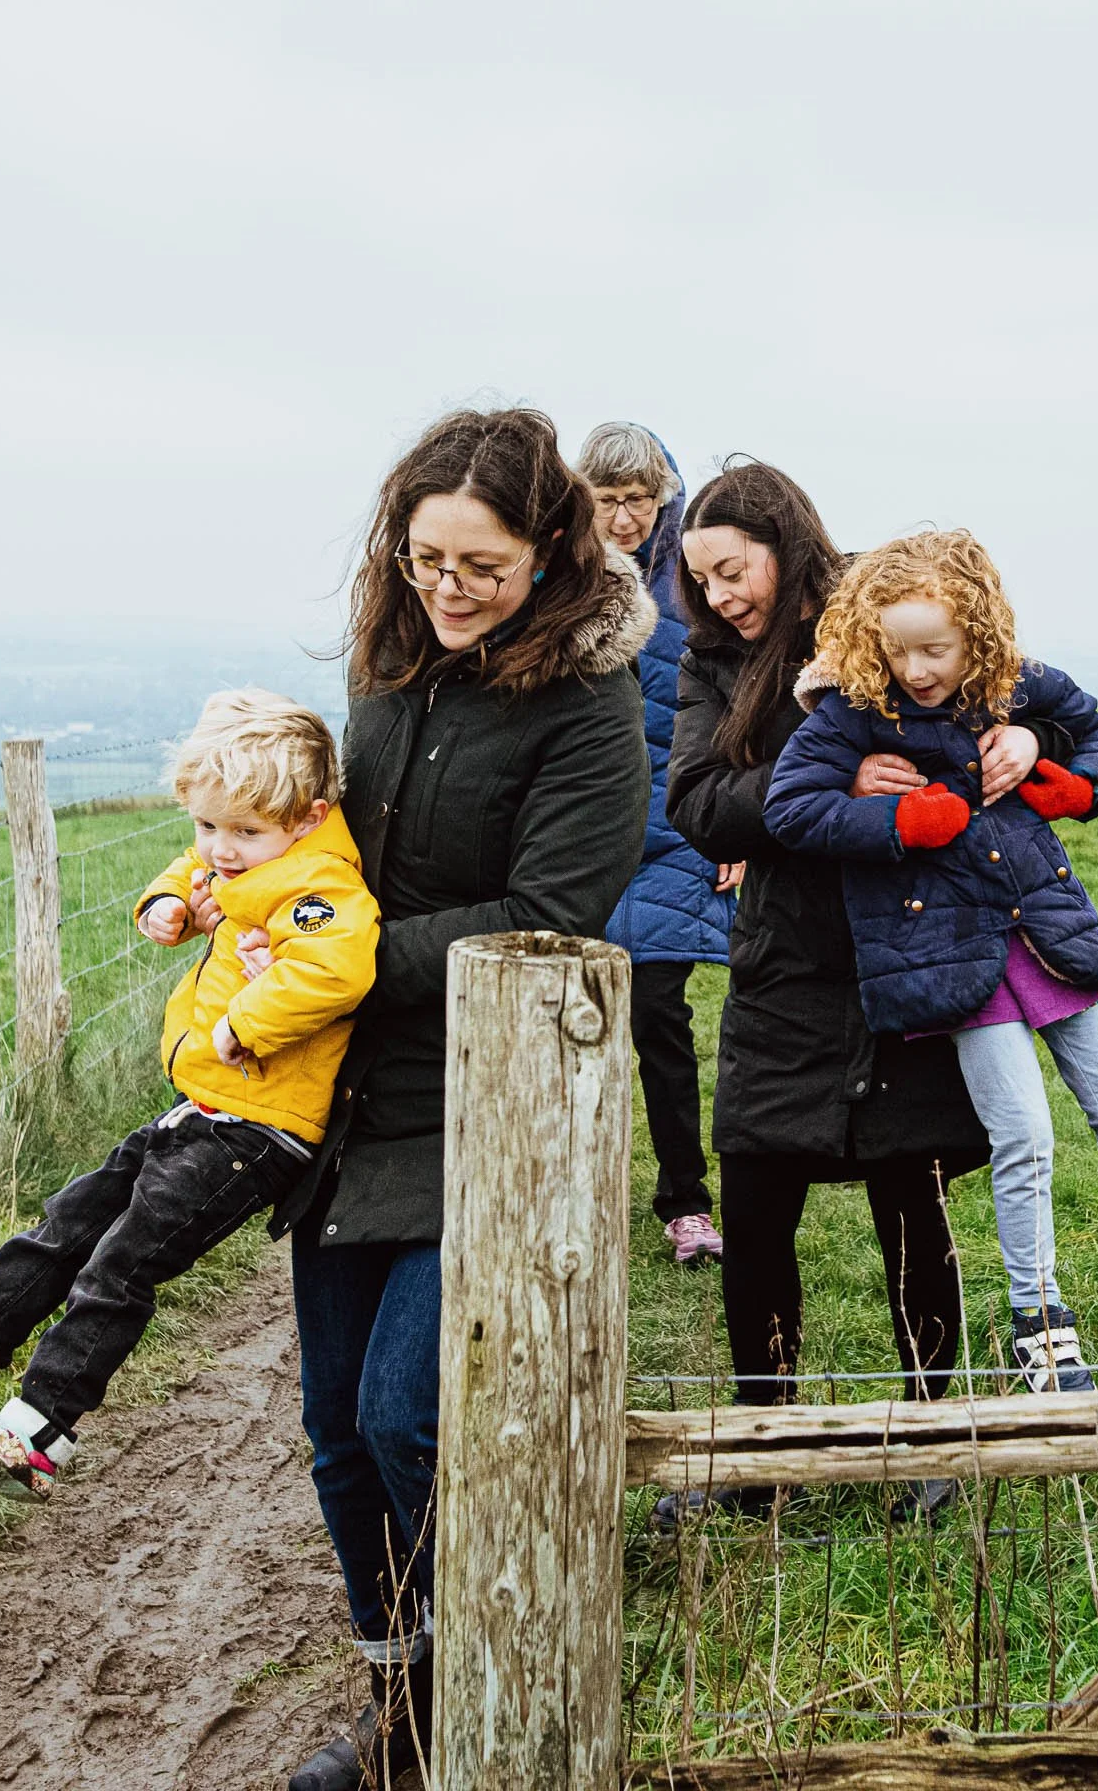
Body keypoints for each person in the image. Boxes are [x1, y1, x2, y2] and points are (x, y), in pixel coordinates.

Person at [207, 411, 652, 1790]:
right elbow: (327, 851)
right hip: (349, 1099)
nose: (446, 591)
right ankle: (399, 1693)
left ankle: (502, 1666)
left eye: (480, 566)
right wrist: (235, 894)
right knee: (336, 1427)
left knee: (413, 1411)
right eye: (423, 561)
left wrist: (330, 963)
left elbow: (545, 911)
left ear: (551, 552)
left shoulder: (589, 708)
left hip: (495, 1107)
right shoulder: (389, 665)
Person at [662, 461, 1059, 1531]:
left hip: (906, 953)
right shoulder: (712, 665)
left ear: (784, 544)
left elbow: (987, 691)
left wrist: (1033, 741)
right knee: (753, 1205)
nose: (718, 597)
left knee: (911, 1200)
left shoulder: (877, 611)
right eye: (698, 580)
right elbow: (697, 801)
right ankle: (764, 1448)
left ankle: (933, 1439)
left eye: (731, 570)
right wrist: (827, 773)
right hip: (784, 966)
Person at [0, 689, 379, 1500]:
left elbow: (337, 970)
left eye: (245, 832)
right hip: (204, 1110)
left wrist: (242, 1024)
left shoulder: (320, 891)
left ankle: (37, 1432)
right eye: (208, 825)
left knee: (120, 1265)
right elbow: (186, 871)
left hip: (257, 1130)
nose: (222, 847)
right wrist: (172, 905)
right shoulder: (243, 861)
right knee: (71, 1218)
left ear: (309, 818)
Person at [763, 528, 1098, 1392]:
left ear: (977, 631)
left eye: (935, 647)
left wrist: (1057, 766)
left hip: (1043, 928)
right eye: (898, 649)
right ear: (870, 639)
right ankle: (1037, 1322)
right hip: (947, 956)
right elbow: (790, 809)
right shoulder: (851, 713)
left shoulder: (1016, 685)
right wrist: (894, 823)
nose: (917, 667)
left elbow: (1096, 731)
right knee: (1024, 1138)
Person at [574, 422, 736, 1266]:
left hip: (676, 830)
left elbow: (739, 697)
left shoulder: (698, 579)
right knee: (568, 1018)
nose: (625, 516)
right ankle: (569, 1193)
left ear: (661, 495)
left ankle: (685, 1202)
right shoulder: (555, 576)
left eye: (639, 499)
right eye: (607, 501)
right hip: (583, 835)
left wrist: (734, 823)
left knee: (657, 1016)